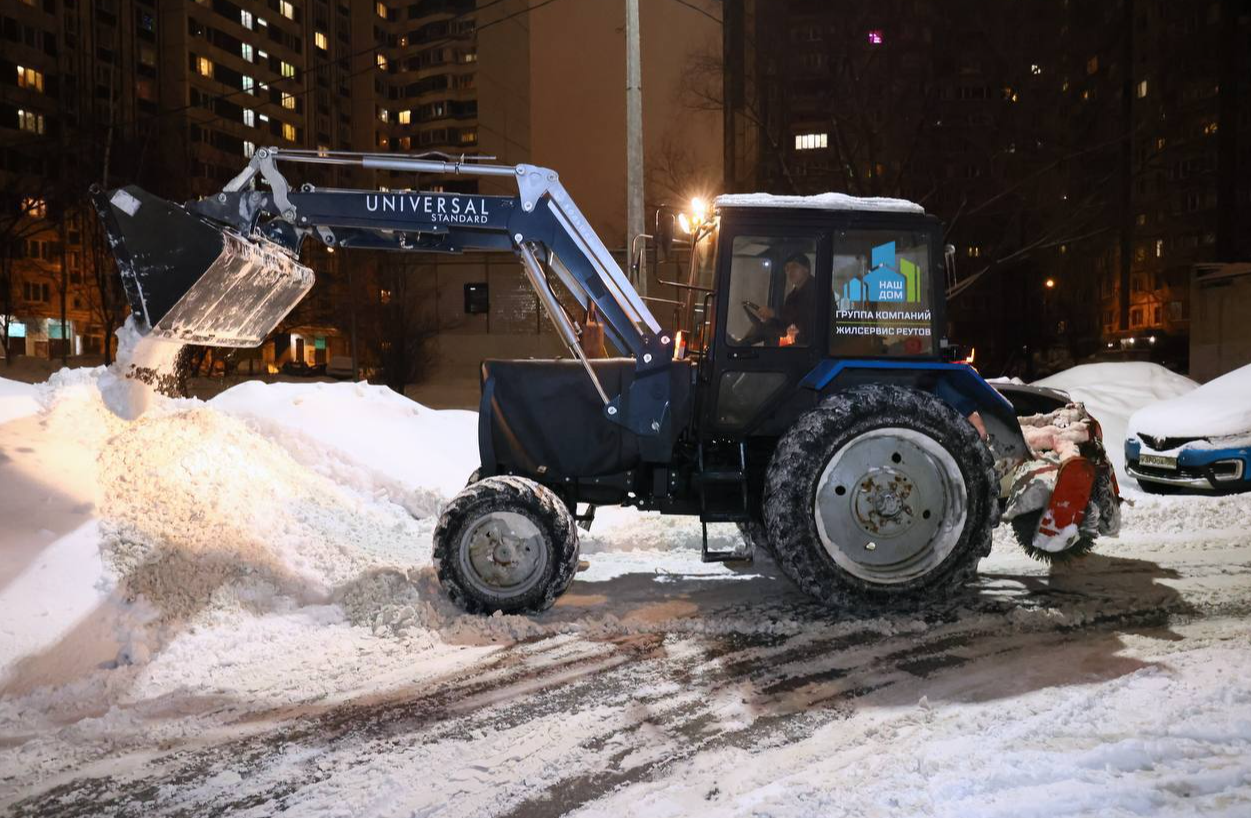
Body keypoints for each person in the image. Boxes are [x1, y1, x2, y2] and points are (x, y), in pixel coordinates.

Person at [757, 252, 816, 346]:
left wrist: (774, 313)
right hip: (796, 341)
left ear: (806, 269)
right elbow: (785, 323)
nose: (790, 271)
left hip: (810, 345)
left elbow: (804, 317)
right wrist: (767, 319)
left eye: (795, 266)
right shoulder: (792, 296)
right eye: (787, 268)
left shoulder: (817, 290)